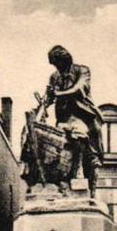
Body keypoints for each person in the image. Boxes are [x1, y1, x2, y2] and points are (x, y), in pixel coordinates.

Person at [44, 45, 104, 197]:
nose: (57, 68)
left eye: (58, 64)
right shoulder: (55, 76)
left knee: (80, 135)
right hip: (63, 118)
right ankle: (61, 183)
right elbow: (50, 97)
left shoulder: (82, 70)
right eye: (54, 65)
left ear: (65, 60)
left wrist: (59, 93)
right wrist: (45, 103)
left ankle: (80, 174)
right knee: (55, 144)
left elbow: (79, 89)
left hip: (82, 116)